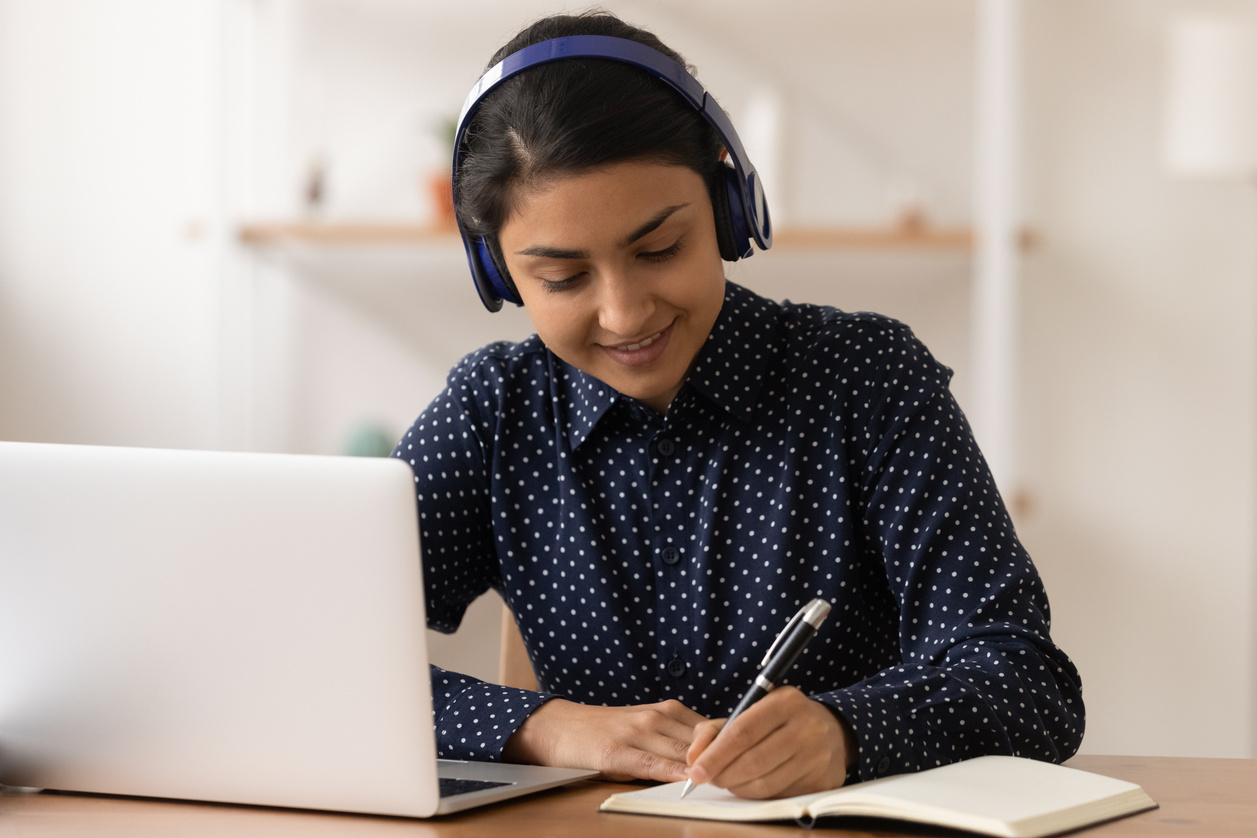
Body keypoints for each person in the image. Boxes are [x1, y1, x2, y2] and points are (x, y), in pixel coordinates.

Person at [393, 10, 1084, 800]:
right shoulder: (494, 412)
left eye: (659, 250)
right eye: (563, 279)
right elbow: (293, 652)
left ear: (727, 205)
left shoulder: (868, 379)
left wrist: (847, 731)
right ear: (498, 271)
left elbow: (1027, 680)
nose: (623, 314)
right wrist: (545, 724)